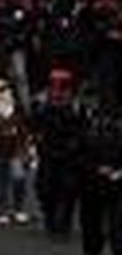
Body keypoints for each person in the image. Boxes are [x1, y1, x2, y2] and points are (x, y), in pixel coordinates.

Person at [32, 68, 85, 238]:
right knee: (46, 188)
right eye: (54, 84)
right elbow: (33, 124)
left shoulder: (77, 104)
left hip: (70, 153)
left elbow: (83, 129)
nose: (58, 89)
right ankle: (50, 219)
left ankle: (64, 224)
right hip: (47, 151)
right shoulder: (41, 102)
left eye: (62, 85)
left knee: (68, 189)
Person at [79, 92, 122, 255]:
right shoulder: (87, 126)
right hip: (92, 177)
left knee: (118, 219)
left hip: (118, 177)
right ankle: (93, 247)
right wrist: (96, 168)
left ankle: (119, 252)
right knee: (91, 217)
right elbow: (79, 152)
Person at [0, 76, 32, 225]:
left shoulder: (17, 107)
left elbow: (25, 127)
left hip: (16, 147)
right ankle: (2, 210)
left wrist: (27, 147)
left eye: (2, 90)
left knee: (19, 178)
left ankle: (18, 209)